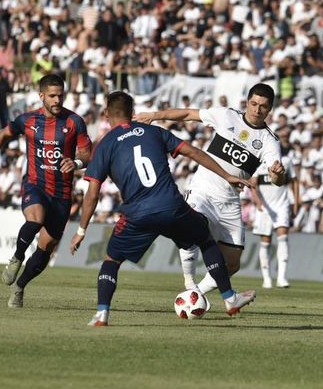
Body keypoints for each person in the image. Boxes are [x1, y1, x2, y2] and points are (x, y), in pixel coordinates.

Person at [70, 91, 257, 326]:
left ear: (106, 113)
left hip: (138, 214)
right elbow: (195, 153)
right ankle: (229, 298)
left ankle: (102, 314)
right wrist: (227, 175)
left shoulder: (105, 144)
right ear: (132, 111)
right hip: (172, 206)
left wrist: (81, 231)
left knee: (112, 260)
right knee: (205, 240)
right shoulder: (154, 132)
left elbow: (92, 194)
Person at [135, 83, 286, 307]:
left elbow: (277, 180)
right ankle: (190, 286)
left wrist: (277, 175)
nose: (257, 110)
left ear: (270, 109)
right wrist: (154, 116)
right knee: (194, 226)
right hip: (203, 190)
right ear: (247, 102)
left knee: (232, 264)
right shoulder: (226, 116)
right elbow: (188, 114)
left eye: (263, 106)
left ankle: (196, 295)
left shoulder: (269, 141)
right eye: (254, 104)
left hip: (230, 200)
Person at [0, 74, 92, 308]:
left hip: (62, 194)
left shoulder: (74, 122)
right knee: (35, 220)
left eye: (60, 95)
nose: (57, 100)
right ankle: (17, 257)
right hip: (35, 186)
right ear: (41, 96)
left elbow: (88, 153)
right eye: (52, 96)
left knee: (45, 249)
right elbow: (2, 134)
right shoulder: (28, 120)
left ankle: (20, 287)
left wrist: (77, 163)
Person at [251, 155, 300, 288]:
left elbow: (295, 181)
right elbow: (252, 184)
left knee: (283, 237)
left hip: (282, 204)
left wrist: (296, 203)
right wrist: (257, 202)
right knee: (265, 242)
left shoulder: (286, 160)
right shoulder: (259, 161)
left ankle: (282, 277)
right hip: (265, 207)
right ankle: (266, 279)